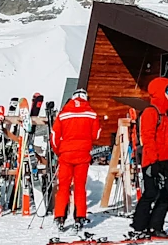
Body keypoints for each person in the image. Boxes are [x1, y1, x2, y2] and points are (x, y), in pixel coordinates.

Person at [129, 77, 168, 240]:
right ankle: (138, 226)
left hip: (164, 160)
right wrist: (153, 162)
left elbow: (165, 138)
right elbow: (147, 139)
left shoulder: (164, 114)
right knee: (151, 192)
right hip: (152, 160)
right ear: (160, 92)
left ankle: (155, 226)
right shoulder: (151, 112)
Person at [51, 88, 102, 229]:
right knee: (80, 187)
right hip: (83, 155)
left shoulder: (63, 113)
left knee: (63, 187)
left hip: (66, 154)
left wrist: (59, 151)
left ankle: (59, 217)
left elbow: (54, 136)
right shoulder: (91, 113)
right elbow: (96, 135)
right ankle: (80, 217)